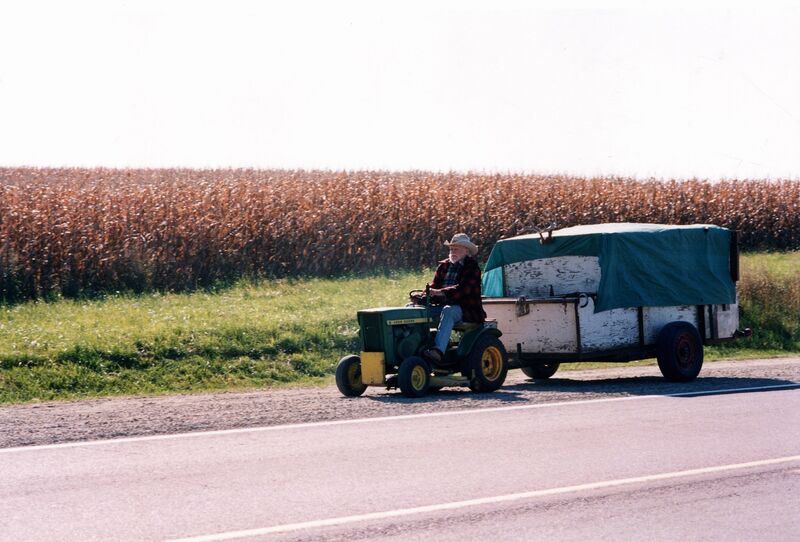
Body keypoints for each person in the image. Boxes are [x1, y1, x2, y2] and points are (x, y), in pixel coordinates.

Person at [420, 233, 486, 364]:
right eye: (451, 249)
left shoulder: (472, 267)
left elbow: (463, 290)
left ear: (466, 251)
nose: (453, 252)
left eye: (457, 249)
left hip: (466, 309)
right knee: (412, 310)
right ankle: (418, 347)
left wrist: (439, 292)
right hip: (442, 306)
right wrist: (423, 296)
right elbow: (435, 286)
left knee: (448, 311)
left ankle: (438, 351)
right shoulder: (443, 266)